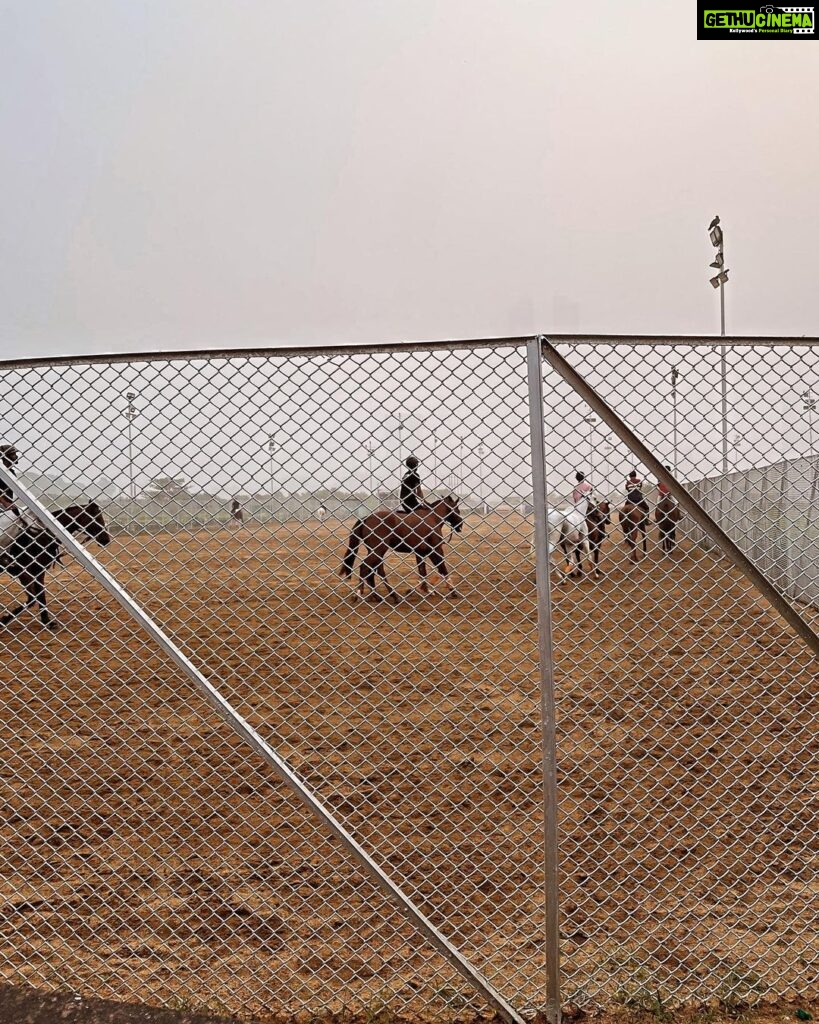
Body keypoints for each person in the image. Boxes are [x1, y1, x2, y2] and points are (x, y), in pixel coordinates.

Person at [0, 445, 24, 562]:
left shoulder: (11, 472)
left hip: (7, 504)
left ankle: (8, 551)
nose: (16, 457)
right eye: (13, 454)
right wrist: (5, 502)